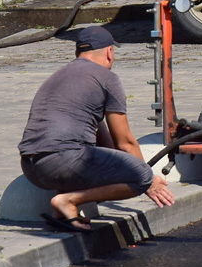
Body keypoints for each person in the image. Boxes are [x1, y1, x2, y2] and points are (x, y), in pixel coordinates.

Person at [18, 25, 174, 232]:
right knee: (141, 176)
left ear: (77, 53)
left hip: (31, 167)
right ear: (109, 52)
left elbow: (108, 146)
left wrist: (122, 169)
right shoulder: (107, 78)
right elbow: (125, 142)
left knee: (83, 152)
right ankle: (67, 201)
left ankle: (63, 215)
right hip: (64, 161)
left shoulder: (58, 76)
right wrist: (147, 179)